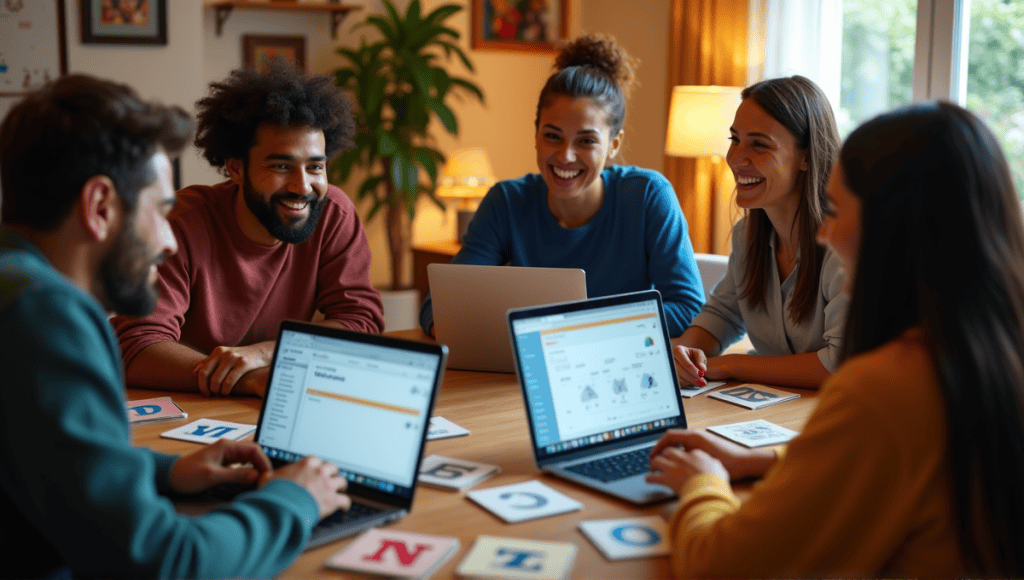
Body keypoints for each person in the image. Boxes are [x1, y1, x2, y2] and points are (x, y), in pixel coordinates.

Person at [647, 101, 1024, 577]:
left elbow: (717, 565)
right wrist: (762, 460)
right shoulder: (992, 348)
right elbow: (894, 457)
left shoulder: (885, 389)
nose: (824, 232)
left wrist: (704, 482)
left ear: (893, 226)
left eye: (838, 209)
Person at [0, 74, 352, 578]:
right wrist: (292, 500)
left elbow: (47, 463)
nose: (168, 239)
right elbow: (167, 562)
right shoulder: (45, 317)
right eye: (162, 210)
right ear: (100, 207)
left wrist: (167, 471)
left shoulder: (14, 282)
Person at [112, 61, 384, 398]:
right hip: (188, 405)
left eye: (315, 167)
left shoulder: (333, 214)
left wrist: (268, 353)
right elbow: (137, 347)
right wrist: (247, 379)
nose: (303, 186)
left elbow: (360, 322)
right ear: (236, 169)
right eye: (281, 166)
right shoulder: (182, 224)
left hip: (273, 400)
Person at [419, 34, 704, 338]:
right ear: (536, 134)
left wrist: (573, 331)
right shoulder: (507, 201)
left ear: (613, 145)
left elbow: (688, 308)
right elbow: (439, 307)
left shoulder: (647, 195)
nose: (566, 156)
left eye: (586, 141)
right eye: (552, 136)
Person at [673, 76, 846, 389]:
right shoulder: (747, 235)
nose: (737, 158)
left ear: (807, 156)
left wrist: (732, 364)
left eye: (759, 144)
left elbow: (838, 365)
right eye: (735, 139)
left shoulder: (845, 246)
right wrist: (685, 354)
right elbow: (724, 314)